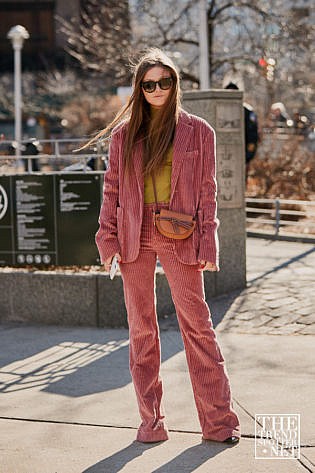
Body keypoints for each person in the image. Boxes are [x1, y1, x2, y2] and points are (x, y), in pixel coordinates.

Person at [88, 48, 240, 444]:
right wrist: (107, 237)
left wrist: (209, 241)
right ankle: (150, 422)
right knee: (141, 329)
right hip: (134, 232)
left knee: (198, 327)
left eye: (164, 82)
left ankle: (219, 423)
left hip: (181, 231)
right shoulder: (124, 135)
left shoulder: (198, 131)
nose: (157, 90)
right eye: (149, 84)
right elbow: (112, 189)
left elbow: (208, 191)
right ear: (140, 88)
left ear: (175, 84)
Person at [225, 82, 259, 182]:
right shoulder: (220, 109)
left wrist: (248, 156)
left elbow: (253, 136)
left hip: (242, 154)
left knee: (240, 182)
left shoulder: (247, 112)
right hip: (224, 154)